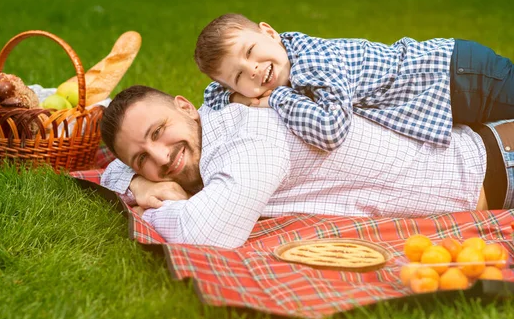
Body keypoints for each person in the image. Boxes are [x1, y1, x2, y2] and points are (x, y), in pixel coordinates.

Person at [100, 85, 514, 249]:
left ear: (186, 107)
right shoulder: (210, 132)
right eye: (142, 159)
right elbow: (108, 170)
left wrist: (160, 205)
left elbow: (211, 232)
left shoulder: (251, 139)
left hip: (497, 166)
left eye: (159, 132)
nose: (161, 158)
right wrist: (134, 181)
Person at [194, 13, 514, 152]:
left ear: (269, 32)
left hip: (461, 76)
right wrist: (239, 98)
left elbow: (331, 131)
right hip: (450, 91)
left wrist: (274, 99)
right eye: (238, 76)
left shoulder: (313, 61)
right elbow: (212, 94)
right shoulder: (270, 66)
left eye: (251, 51)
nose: (252, 70)